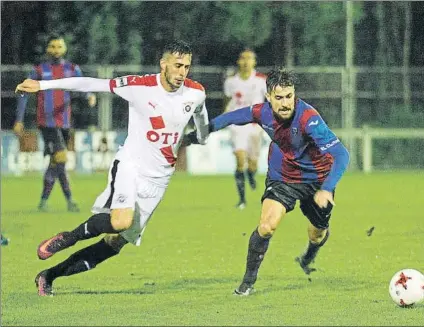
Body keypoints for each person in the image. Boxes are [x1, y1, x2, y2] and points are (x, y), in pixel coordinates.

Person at [15, 40, 210, 296]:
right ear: (163, 64)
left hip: (159, 180)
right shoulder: (139, 86)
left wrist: (200, 136)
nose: (182, 72)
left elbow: (203, 123)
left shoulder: (196, 93)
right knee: (120, 221)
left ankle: (48, 276)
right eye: (177, 65)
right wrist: (43, 85)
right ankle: (68, 237)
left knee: (114, 243)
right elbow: (90, 83)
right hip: (131, 164)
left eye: (186, 66)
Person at [186, 67, 350, 295]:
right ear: (268, 97)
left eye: (289, 96)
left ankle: (308, 257)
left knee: (317, 234)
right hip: (283, 178)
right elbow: (231, 117)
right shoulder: (262, 112)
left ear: (295, 95)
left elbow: (342, 154)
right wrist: (200, 133)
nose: (285, 103)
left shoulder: (309, 119)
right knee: (266, 226)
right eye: (279, 97)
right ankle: (247, 283)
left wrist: (327, 189)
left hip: (318, 182)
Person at [13, 34, 97, 212]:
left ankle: (43, 202)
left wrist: (89, 95)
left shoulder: (72, 68)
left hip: (65, 122)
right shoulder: (40, 70)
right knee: (61, 158)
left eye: (59, 46)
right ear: (47, 49)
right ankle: (70, 200)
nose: (56, 50)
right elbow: (24, 93)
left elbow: (82, 85)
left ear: (64, 49)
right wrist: (19, 119)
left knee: (56, 163)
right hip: (47, 123)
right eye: (52, 46)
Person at [223, 49, 267, 209]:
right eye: (243, 58)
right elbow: (227, 101)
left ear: (254, 62)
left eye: (249, 58)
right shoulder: (231, 82)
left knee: (253, 163)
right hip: (237, 125)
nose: (246, 61)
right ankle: (242, 200)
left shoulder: (261, 81)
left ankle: (251, 174)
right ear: (238, 61)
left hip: (255, 125)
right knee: (240, 160)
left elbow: (269, 101)